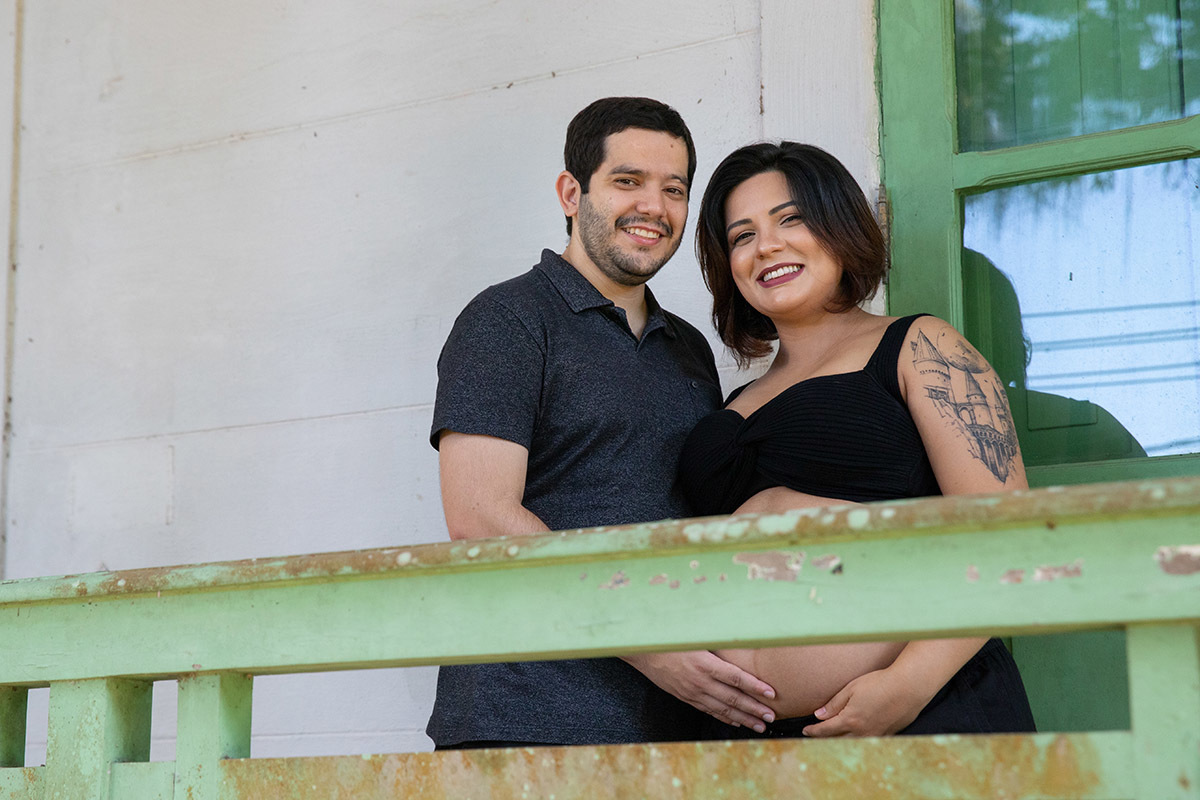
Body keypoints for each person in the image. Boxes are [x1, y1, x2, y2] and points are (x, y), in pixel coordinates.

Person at [427, 97, 780, 749]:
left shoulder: (688, 348)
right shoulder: (507, 319)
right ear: (572, 193)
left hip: (675, 726)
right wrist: (650, 646)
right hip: (526, 721)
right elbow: (479, 517)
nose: (654, 207)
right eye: (627, 181)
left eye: (674, 189)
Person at [679, 141, 1037, 738]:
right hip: (754, 744)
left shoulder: (923, 347)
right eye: (742, 236)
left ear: (838, 225)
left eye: (791, 219)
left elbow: (1013, 538)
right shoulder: (732, 402)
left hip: (925, 714)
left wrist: (909, 685)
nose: (766, 246)